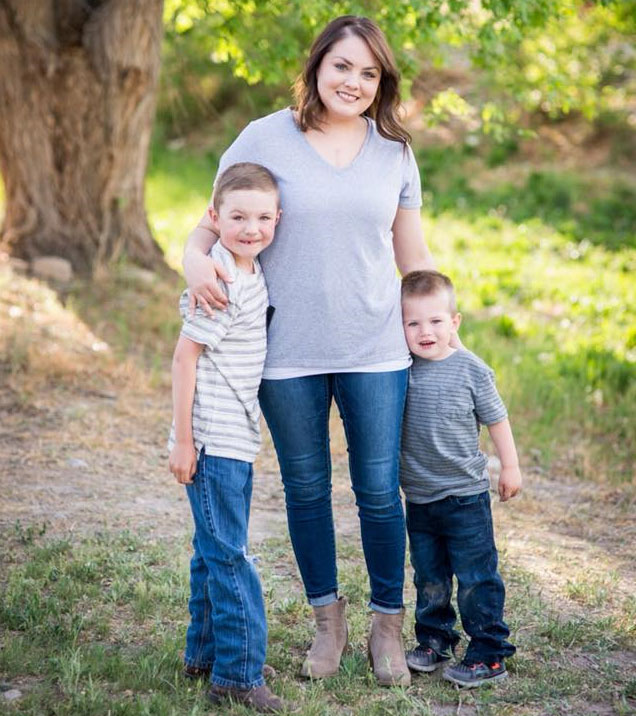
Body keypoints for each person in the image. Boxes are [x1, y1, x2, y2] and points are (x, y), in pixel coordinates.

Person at [182, 15, 436, 687]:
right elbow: (213, 220)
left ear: (381, 82)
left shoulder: (393, 150)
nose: (353, 82)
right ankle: (329, 620)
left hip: (375, 347)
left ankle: (387, 622)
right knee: (305, 488)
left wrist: (443, 329)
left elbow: (413, 258)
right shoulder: (265, 136)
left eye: (369, 72)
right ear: (318, 65)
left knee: (379, 492)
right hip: (284, 349)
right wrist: (191, 259)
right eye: (342, 66)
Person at [168, 162, 290, 712]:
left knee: (209, 548)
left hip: (232, 438)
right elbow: (184, 357)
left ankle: (205, 654)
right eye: (238, 217)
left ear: (277, 220)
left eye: (263, 217)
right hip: (213, 439)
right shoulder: (220, 280)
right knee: (230, 555)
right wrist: (184, 442)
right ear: (214, 218)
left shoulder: (245, 268)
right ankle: (238, 675)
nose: (252, 227)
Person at [399, 270, 522, 688]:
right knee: (429, 576)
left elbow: (497, 420)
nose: (424, 331)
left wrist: (510, 466)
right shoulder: (401, 370)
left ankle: (489, 652)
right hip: (419, 497)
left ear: (455, 322)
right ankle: (435, 640)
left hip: (466, 498)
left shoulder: (471, 369)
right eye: (412, 323)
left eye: (435, 321)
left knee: (476, 578)